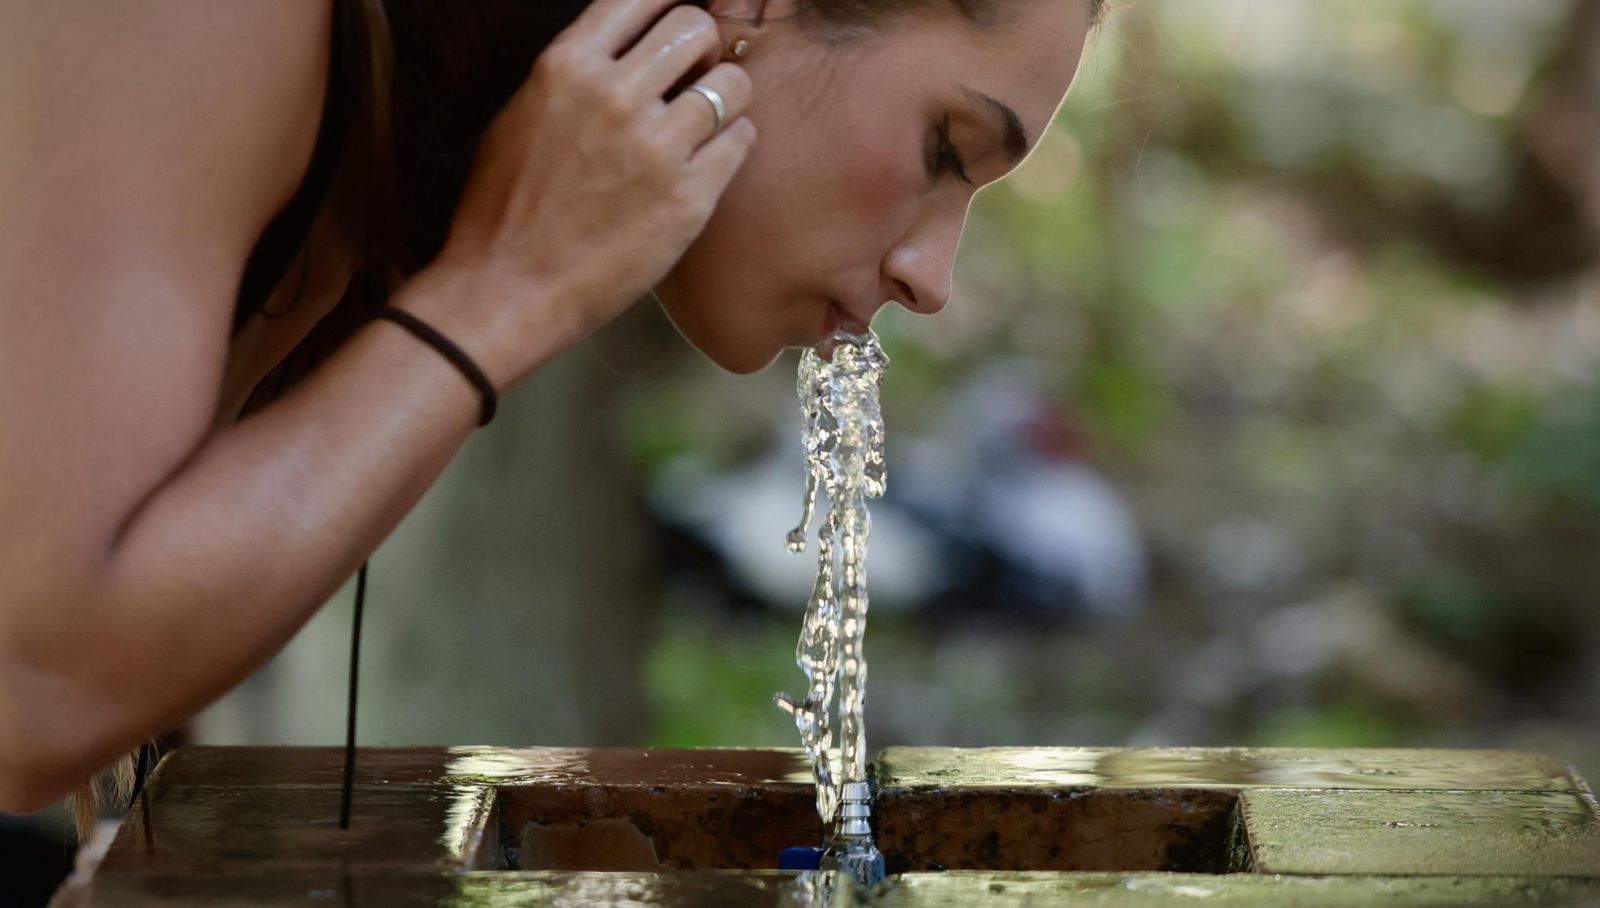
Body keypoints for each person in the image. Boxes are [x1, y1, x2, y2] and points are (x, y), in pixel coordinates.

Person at [0, 0, 1102, 824]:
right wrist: (503, 287)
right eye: (944, 150)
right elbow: (29, 695)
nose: (932, 277)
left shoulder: (408, 106)